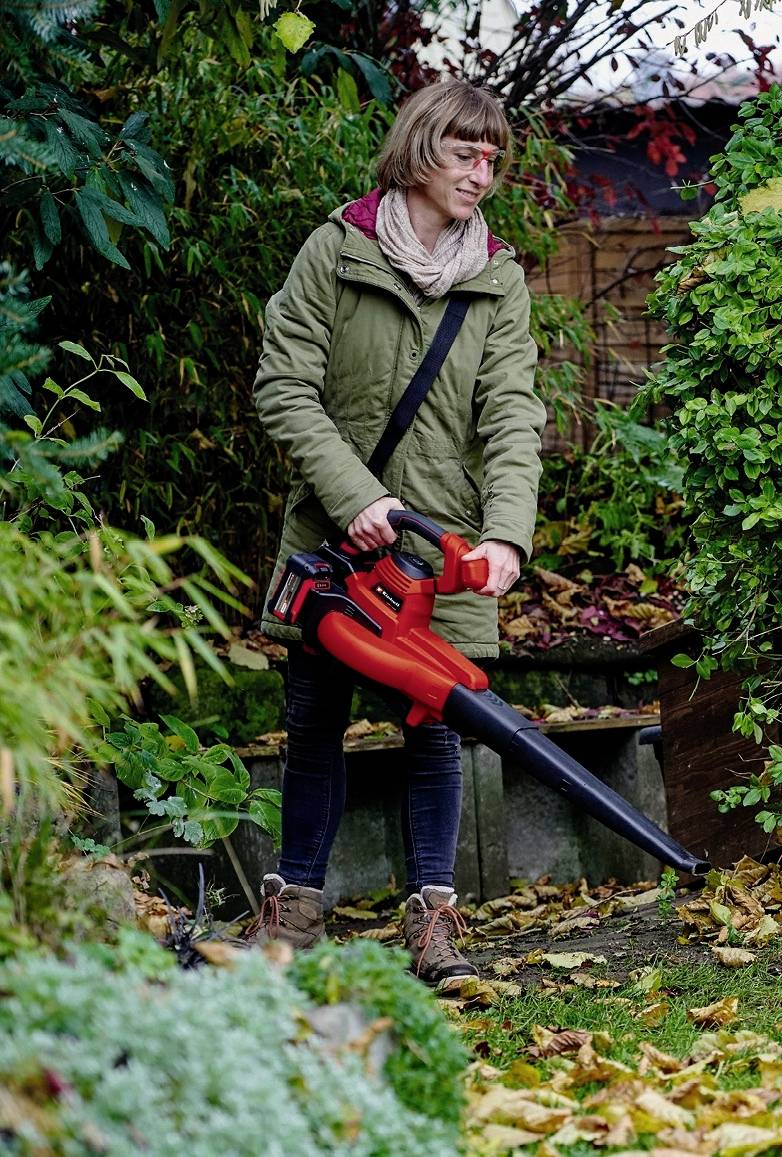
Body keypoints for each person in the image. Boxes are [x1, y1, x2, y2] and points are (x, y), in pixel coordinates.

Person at [245, 79, 544, 989]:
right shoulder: (335, 253)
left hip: (440, 555)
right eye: (466, 153)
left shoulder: (499, 280)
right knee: (313, 725)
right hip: (338, 548)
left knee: (434, 732)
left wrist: (505, 539)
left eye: (493, 158)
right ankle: (293, 913)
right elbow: (283, 387)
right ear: (420, 150)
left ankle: (434, 927)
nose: (482, 173)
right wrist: (354, 496)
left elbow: (513, 419)